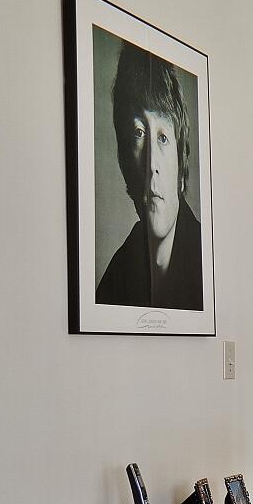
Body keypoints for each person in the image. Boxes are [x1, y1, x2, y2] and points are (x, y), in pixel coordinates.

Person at [95, 44, 202, 309]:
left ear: (181, 163)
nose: (152, 162)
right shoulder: (115, 279)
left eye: (163, 138)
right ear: (124, 162)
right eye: (139, 133)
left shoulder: (207, 262)